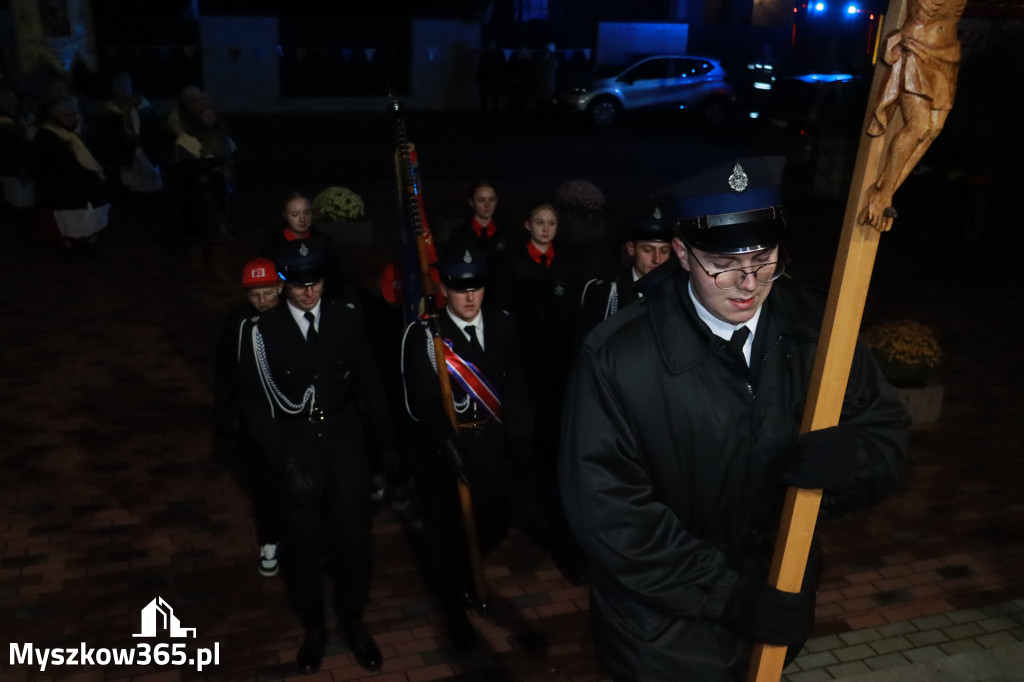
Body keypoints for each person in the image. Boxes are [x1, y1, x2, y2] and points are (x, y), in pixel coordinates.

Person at [559, 157, 910, 681]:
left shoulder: (818, 329)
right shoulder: (617, 357)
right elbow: (609, 510)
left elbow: (885, 433)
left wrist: (854, 462)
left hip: (775, 602)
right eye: (723, 262)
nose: (748, 281)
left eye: (764, 256)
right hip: (660, 635)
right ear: (681, 252)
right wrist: (726, 594)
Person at [236, 239, 396, 674]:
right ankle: (314, 626)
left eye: (317, 282)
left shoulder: (345, 318)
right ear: (285, 284)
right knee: (303, 547)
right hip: (296, 448)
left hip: (345, 445)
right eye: (301, 284)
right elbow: (254, 406)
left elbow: (370, 386)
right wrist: (284, 462)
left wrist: (387, 456)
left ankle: (353, 619)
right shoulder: (262, 333)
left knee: (356, 543)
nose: (310, 292)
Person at [400, 246, 533, 649]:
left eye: (476, 286)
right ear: (443, 288)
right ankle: (454, 608)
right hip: (449, 452)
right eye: (460, 289)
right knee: (447, 535)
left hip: (492, 445)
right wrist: (445, 445)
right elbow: (420, 401)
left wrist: (522, 439)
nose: (470, 296)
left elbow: (515, 387)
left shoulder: (503, 324)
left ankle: (463, 576)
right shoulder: (426, 335)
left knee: (493, 521)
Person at [491, 200, 584, 583]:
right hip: (524, 362)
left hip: (557, 363)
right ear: (527, 223)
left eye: (552, 223)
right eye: (540, 222)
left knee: (552, 428)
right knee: (523, 427)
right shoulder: (512, 262)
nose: (546, 229)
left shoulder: (567, 263)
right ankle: (521, 489)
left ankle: (545, 481)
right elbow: (502, 310)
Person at [862, 0, 965, 231]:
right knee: (918, 126)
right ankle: (882, 193)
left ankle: (885, 193)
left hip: (948, 56)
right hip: (918, 47)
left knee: (933, 130)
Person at [213, 258, 285, 578]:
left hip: (292, 420)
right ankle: (269, 540)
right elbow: (224, 374)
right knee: (262, 485)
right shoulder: (237, 323)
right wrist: (227, 420)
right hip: (254, 422)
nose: (261, 301)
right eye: (255, 295)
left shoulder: (292, 318)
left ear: (280, 287)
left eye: (267, 293)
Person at [576, 203, 674, 342]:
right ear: (631, 249)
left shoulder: (679, 290)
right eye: (647, 249)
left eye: (664, 251)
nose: (657, 259)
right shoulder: (604, 291)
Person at [29, 96, 110, 255]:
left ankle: (87, 241)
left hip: (80, 184)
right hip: (62, 186)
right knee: (67, 219)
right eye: (65, 115)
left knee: (86, 215)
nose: (71, 117)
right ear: (55, 116)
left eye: (73, 114)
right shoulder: (47, 134)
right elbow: (46, 164)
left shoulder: (75, 133)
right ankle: (69, 245)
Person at [172, 93, 236, 279]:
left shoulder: (221, 134)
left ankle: (219, 269)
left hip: (219, 192)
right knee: (197, 234)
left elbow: (232, 154)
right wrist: (212, 166)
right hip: (197, 194)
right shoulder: (187, 138)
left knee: (220, 232)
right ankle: (196, 266)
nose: (210, 118)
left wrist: (227, 167)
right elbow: (184, 167)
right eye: (205, 115)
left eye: (212, 114)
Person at [261, 191, 352, 301]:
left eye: (307, 212)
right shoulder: (273, 245)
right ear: (285, 215)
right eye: (295, 214)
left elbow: (336, 275)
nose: (302, 219)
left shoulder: (324, 241)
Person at [444, 180, 511, 264]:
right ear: (471, 202)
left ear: (496, 201)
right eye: (481, 200)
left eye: (492, 199)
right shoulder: (459, 234)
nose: (487, 205)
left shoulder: (507, 233)